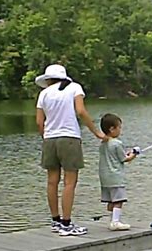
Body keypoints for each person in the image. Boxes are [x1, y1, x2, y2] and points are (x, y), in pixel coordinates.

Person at [35, 64, 107, 236]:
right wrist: (97, 132)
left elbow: (39, 122)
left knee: (52, 181)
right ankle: (67, 224)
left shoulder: (43, 94)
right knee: (70, 182)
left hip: (49, 139)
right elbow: (81, 111)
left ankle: (56, 221)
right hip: (69, 138)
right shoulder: (74, 87)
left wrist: (46, 138)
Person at [99, 113, 139, 230]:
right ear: (112, 129)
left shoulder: (103, 143)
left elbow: (114, 156)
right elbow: (125, 159)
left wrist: (127, 153)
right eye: (119, 127)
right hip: (115, 177)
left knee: (111, 200)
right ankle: (115, 222)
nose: (120, 130)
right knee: (119, 200)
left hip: (105, 177)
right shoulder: (117, 143)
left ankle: (113, 219)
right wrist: (135, 153)